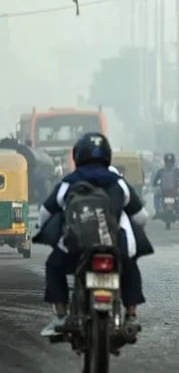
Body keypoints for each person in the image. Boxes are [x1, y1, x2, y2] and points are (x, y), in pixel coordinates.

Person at [34, 133, 153, 337]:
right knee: (130, 266)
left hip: (75, 250)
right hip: (115, 248)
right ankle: (131, 315)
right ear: (107, 156)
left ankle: (61, 316)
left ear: (77, 156)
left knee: (53, 265)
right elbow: (141, 217)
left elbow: (45, 213)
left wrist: (44, 228)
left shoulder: (68, 182)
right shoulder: (118, 183)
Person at [152, 153, 179, 217]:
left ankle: (157, 211)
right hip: (174, 191)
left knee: (156, 196)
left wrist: (155, 184)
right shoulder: (177, 170)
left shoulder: (161, 171)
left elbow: (155, 181)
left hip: (163, 191)